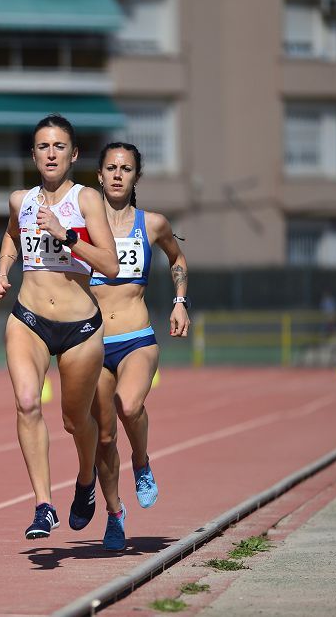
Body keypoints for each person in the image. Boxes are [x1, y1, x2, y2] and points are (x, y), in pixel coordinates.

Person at [0, 114, 119, 539]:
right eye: (43, 146)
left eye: (59, 146)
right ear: (33, 154)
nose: (50, 153)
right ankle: (44, 505)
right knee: (27, 403)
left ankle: (85, 481)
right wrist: (3, 270)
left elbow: (111, 265)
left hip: (80, 326)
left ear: (73, 154)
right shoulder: (19, 200)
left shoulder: (86, 201)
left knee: (75, 420)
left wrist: (65, 235)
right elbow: (11, 235)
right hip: (27, 318)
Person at [89, 142, 190, 551]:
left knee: (130, 406)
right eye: (110, 168)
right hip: (90, 341)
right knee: (105, 437)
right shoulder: (79, 223)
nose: (117, 174)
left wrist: (180, 301)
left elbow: (177, 257)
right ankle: (114, 515)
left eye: (125, 169)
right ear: (98, 175)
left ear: (135, 177)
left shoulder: (153, 224)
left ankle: (143, 462)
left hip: (136, 337)